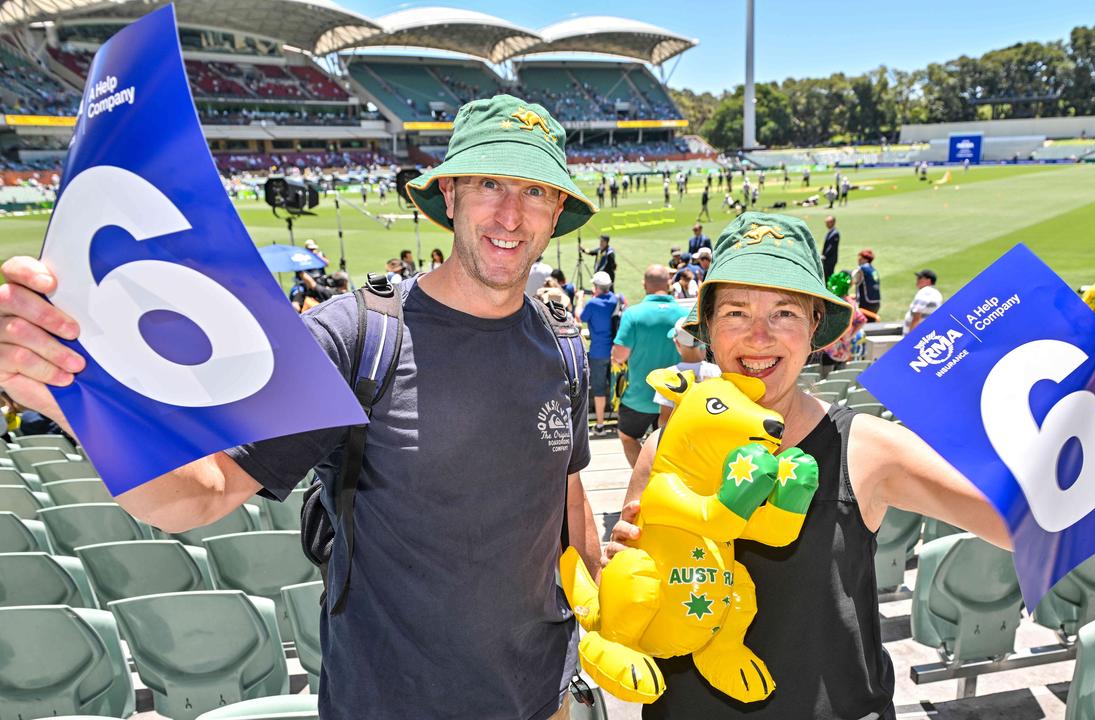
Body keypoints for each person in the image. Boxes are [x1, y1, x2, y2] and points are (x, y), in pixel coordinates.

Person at [0, 94, 604, 720]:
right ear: (447, 195)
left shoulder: (562, 344)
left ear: (557, 209)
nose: (510, 214)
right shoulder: (355, 339)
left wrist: (607, 592)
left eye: (534, 192)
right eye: (488, 183)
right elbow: (194, 496)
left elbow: (565, 486)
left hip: (543, 699)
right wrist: (66, 391)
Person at [605, 211, 1095, 719]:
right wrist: (622, 571)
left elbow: (1032, 526)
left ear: (814, 331)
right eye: (735, 311)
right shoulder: (664, 447)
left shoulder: (865, 446)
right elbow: (641, 590)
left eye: (783, 313)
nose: (759, 336)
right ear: (706, 328)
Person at [611, 265, 686, 468]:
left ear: (644, 285)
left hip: (640, 399)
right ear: (669, 284)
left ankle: (644, 479)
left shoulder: (633, 314)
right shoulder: (685, 314)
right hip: (677, 399)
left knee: (627, 436)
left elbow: (619, 355)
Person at [653, 312, 721, 428]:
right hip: (709, 432)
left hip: (681, 437)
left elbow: (664, 420)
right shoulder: (716, 371)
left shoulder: (669, 375)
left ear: (677, 343)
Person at [579, 271, 623, 436]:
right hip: (616, 352)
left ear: (596, 287)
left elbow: (580, 317)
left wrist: (580, 299)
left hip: (598, 352)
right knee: (617, 387)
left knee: (598, 389)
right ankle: (620, 422)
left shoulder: (593, 303)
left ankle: (599, 425)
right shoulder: (616, 299)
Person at [905, 268, 942, 333]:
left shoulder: (925, 292)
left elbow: (917, 314)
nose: (917, 280)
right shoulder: (936, 293)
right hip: (925, 333)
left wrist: (910, 339)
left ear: (928, 280)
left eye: (920, 278)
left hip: (917, 335)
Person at [855, 248, 881, 314]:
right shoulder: (873, 270)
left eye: (860, 257)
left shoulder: (861, 269)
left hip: (866, 304)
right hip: (876, 303)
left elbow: (853, 279)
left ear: (866, 259)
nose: (858, 259)